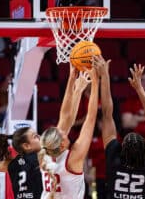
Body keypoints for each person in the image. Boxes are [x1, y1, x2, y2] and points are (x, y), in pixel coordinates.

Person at [0, 64, 90, 199]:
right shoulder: (41, 156)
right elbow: (66, 119)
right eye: (35, 136)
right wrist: (76, 88)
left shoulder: (13, 164)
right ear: (26, 146)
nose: (41, 137)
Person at [96, 58, 145, 199]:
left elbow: (107, 114)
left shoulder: (114, 158)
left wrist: (105, 76)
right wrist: (139, 88)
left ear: (122, 148)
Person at [38, 66, 98, 199]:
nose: (65, 132)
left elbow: (65, 117)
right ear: (61, 145)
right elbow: (91, 118)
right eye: (62, 135)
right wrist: (95, 82)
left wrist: (72, 80)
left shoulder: (45, 153)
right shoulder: (72, 159)